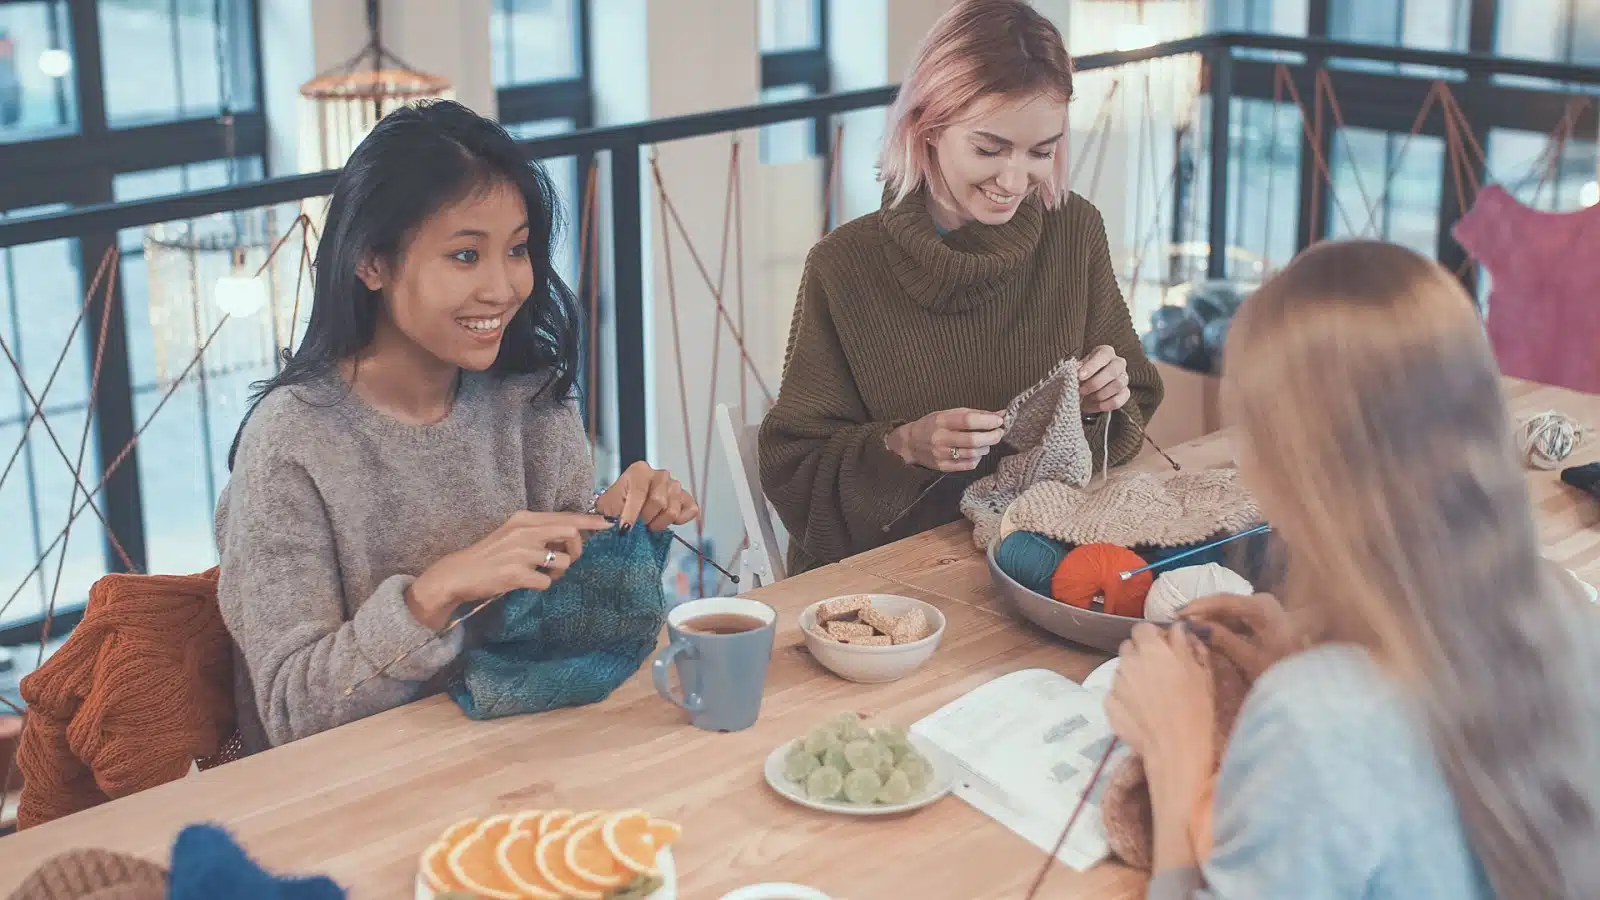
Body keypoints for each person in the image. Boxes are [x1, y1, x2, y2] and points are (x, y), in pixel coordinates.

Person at [1106, 240, 1600, 898]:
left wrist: (1177, 762)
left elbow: (1350, 742)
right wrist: (1309, 663)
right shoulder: (1565, 608)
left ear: (1296, 468)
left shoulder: (1315, 721)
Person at [217, 101, 699, 752]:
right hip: (361, 794)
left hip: (527, 756)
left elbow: (556, 640)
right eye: (466, 255)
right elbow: (292, 713)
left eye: (519, 250)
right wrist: (436, 592)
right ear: (371, 262)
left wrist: (614, 528)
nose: (503, 288)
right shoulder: (292, 442)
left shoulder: (530, 396)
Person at [758, 0, 1162, 574]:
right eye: (989, 149)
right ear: (928, 126)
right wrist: (902, 448)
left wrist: (1101, 401)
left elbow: (1131, 414)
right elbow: (795, 468)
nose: (1014, 180)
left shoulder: (1074, 231)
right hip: (891, 581)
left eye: (1041, 152)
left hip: (1038, 558)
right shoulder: (844, 266)